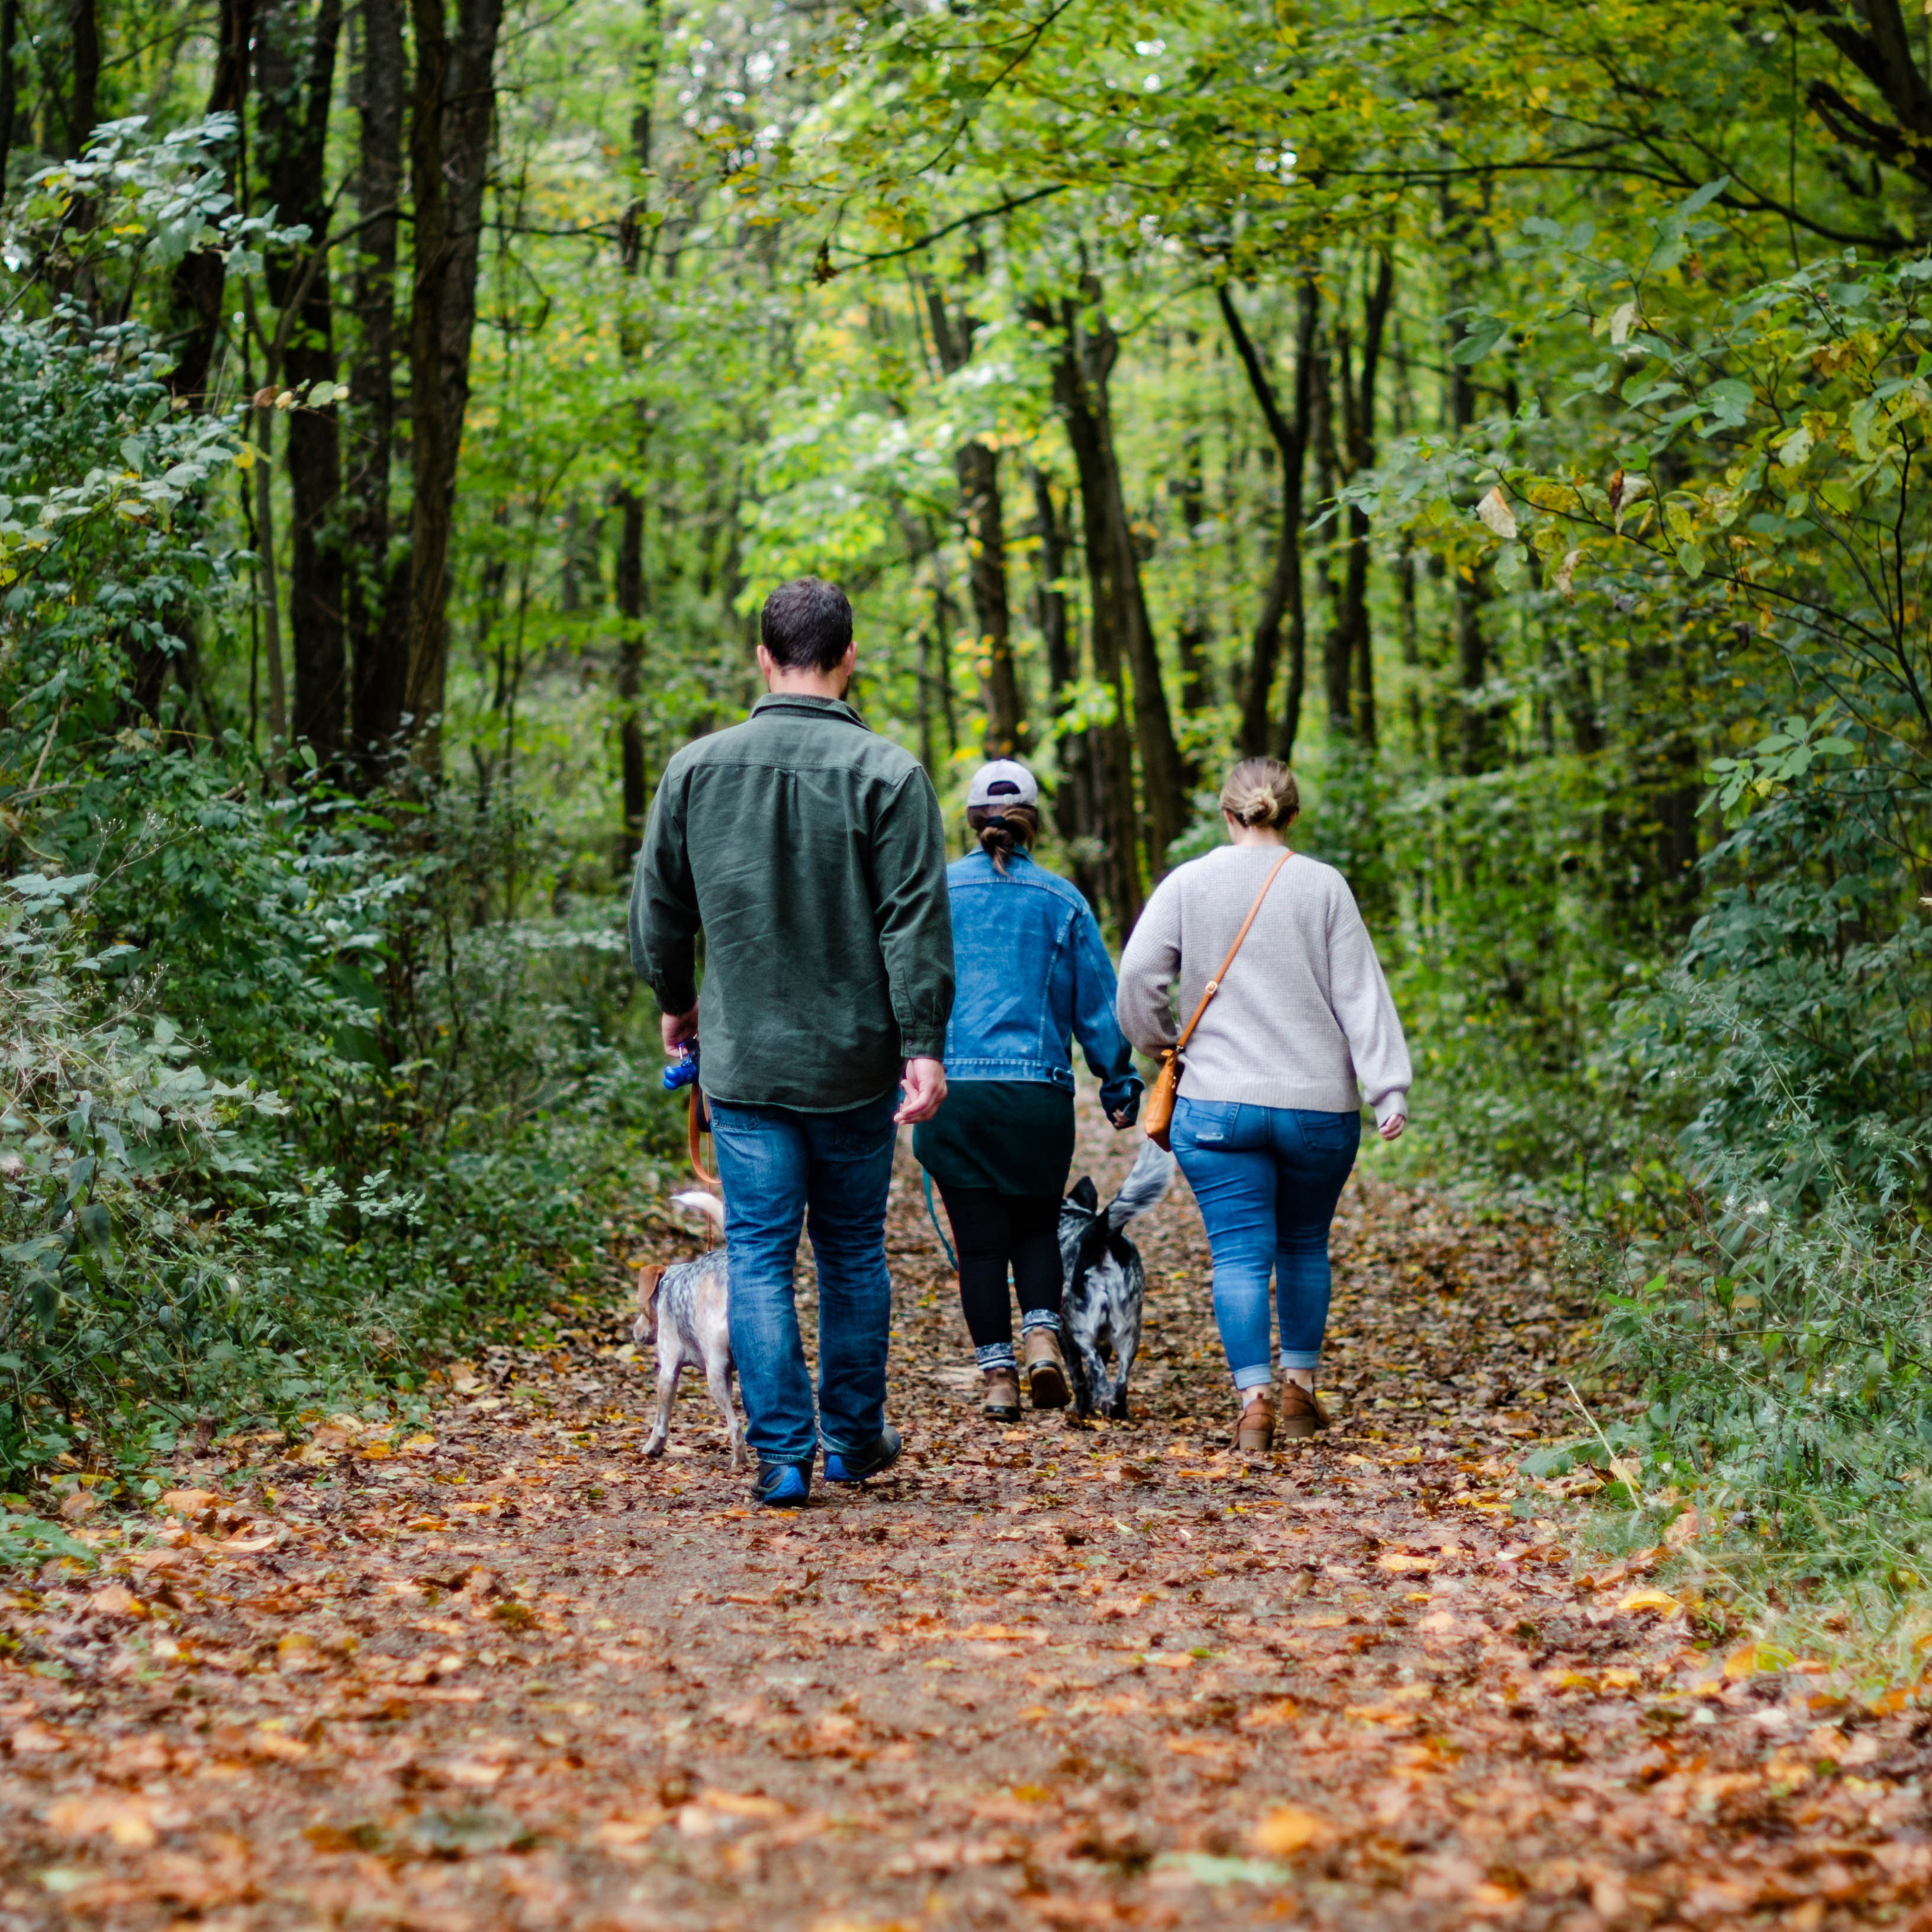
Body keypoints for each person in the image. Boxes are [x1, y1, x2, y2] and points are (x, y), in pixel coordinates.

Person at [630, 577, 954, 1508]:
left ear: (763, 660)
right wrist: (923, 1043)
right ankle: (853, 1441)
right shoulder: (890, 775)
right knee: (852, 1252)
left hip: (746, 1062)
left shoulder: (694, 769)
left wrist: (678, 1001)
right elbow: (914, 924)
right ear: (850, 658)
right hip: (856, 1063)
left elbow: (659, 909)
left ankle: (781, 1458)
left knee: (764, 1254)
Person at [1116, 757, 1410, 1451]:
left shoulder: (1188, 883)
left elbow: (1136, 976)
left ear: (1228, 813)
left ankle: (1253, 1405)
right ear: (1292, 816)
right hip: (1317, 1108)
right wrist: (1386, 1087)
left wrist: (1162, 1044)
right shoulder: (1323, 886)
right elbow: (1361, 995)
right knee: (1305, 1245)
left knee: (1240, 1257)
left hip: (1217, 1106)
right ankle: (1301, 1393)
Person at [913, 760, 1143, 1422]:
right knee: (1036, 1231)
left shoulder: (935, 893)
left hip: (955, 1095)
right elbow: (1098, 1004)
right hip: (1037, 1099)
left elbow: (907, 983)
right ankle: (1042, 1339)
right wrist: (1117, 1082)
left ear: (969, 822)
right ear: (1034, 824)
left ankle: (997, 1381)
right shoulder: (1063, 901)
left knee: (979, 1245)